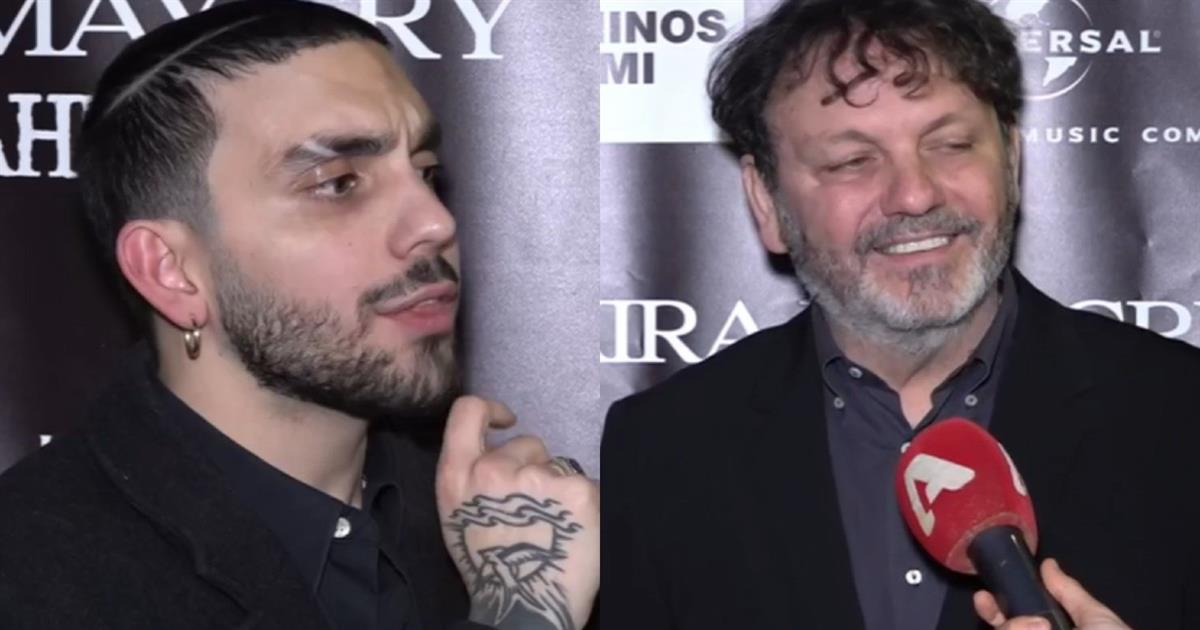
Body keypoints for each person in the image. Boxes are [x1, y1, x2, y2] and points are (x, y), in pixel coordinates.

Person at [600, 0, 1200, 628]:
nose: (914, 194)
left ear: (1011, 162)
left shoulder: (1181, 415)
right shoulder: (665, 449)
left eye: (951, 144)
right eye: (852, 161)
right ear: (767, 201)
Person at [0, 2, 597, 630]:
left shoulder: (498, 526)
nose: (435, 223)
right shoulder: (31, 579)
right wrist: (524, 614)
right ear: (172, 271)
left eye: (425, 172)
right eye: (338, 183)